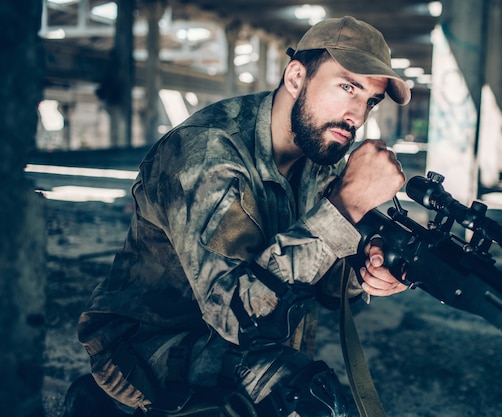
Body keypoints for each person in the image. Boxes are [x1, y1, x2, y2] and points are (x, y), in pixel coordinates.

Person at [74, 15, 411, 417]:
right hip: (147, 343)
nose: (358, 115)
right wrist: (345, 207)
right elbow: (235, 315)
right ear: (296, 77)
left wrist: (367, 270)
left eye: (369, 100)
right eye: (347, 87)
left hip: (252, 341)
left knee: (303, 391)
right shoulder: (204, 154)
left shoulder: (321, 158)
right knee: (300, 401)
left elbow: (324, 285)